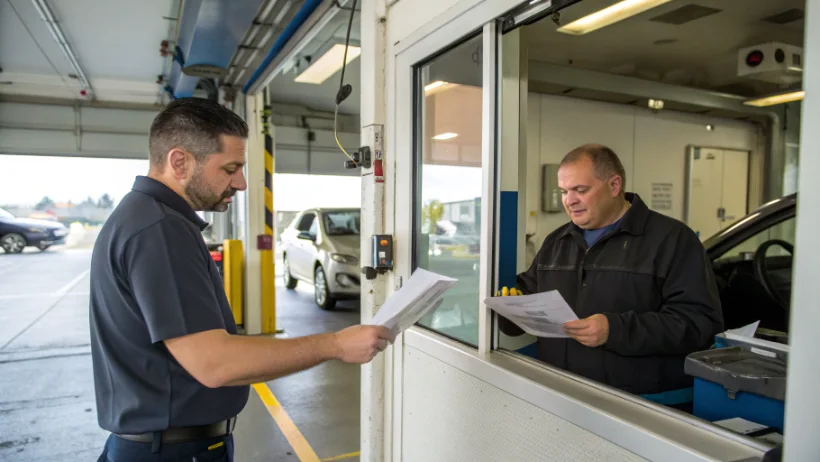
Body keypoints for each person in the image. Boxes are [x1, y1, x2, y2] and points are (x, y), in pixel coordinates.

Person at [89, 98, 392, 461]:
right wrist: (336, 345)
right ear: (179, 162)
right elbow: (214, 363)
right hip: (173, 451)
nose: (242, 183)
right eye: (230, 169)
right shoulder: (160, 230)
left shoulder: (144, 219)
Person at [498, 143, 723, 410]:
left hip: (641, 406)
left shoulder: (671, 240)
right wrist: (511, 305)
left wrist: (614, 330)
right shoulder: (557, 242)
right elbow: (531, 290)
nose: (569, 200)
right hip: (562, 397)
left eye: (581, 190)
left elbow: (698, 323)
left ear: (614, 186)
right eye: (564, 191)